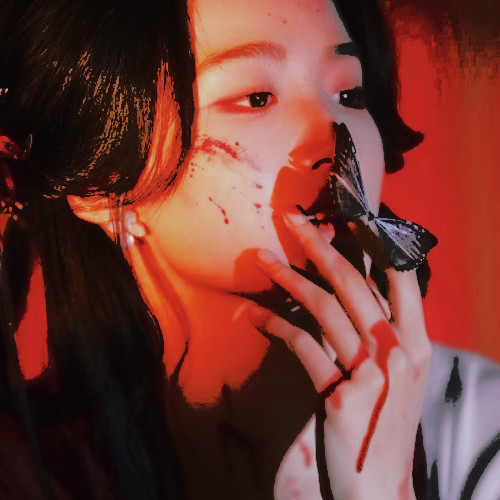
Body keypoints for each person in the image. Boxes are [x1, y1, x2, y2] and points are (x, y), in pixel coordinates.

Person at [1, 0, 496, 499]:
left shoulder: (478, 433)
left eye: (348, 93)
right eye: (257, 98)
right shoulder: (32, 468)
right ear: (102, 188)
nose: (333, 139)